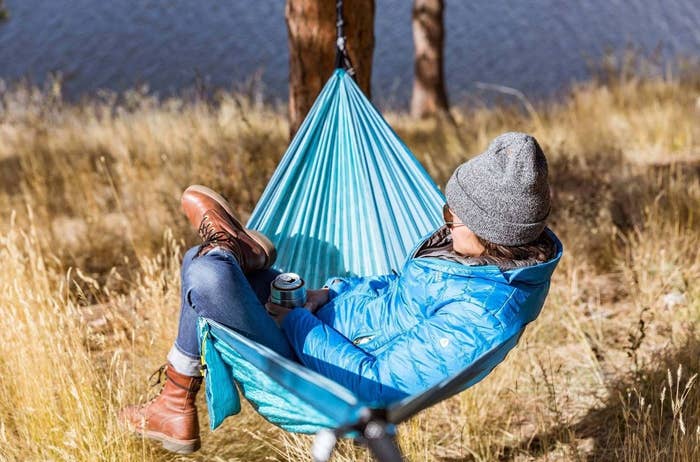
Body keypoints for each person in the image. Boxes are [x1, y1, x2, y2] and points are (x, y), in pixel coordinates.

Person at [119, 132, 562, 454]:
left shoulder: (481, 319)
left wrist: (292, 321)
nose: (446, 221)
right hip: (319, 323)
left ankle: (231, 257)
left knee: (208, 275)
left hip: (316, 376)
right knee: (201, 262)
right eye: (448, 208)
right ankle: (176, 400)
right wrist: (326, 293)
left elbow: (371, 388)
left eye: (454, 214)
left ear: (494, 231)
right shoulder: (470, 254)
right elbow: (396, 292)